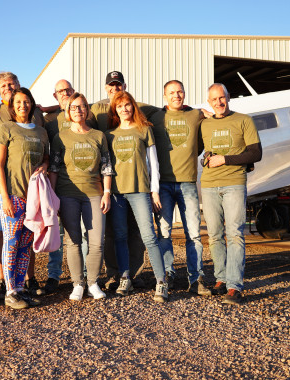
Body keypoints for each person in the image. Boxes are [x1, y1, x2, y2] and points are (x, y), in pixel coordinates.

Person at [0, 72, 45, 300]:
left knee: (26, 239)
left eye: (12, 84)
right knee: (7, 236)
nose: (9, 88)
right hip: (7, 189)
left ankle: (24, 283)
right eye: (4, 85)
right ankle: (5, 285)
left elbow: (44, 149)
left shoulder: (37, 118)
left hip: (32, 193)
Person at [200, 83, 262, 305]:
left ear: (228, 97)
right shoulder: (204, 124)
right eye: (214, 99)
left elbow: (256, 153)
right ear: (209, 102)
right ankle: (221, 279)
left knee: (234, 233)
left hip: (234, 183)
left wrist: (225, 159)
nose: (219, 102)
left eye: (222, 98)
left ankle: (235, 286)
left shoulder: (244, 120)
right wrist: (206, 157)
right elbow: (202, 149)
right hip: (208, 185)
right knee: (214, 235)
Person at [48, 92, 113, 301]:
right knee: (73, 240)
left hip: (94, 194)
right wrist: (52, 197)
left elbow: (106, 166)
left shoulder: (98, 136)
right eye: (74, 107)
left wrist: (107, 193)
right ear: (68, 112)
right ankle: (77, 284)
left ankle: (93, 282)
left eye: (82, 106)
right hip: (67, 195)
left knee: (96, 242)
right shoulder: (61, 137)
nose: (78, 110)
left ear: (87, 110)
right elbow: (54, 168)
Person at [149, 80, 211, 296]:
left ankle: (196, 278)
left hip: (187, 183)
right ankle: (168, 274)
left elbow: (210, 130)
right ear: (164, 95)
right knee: (164, 232)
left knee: (193, 234)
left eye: (180, 91)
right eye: (172, 92)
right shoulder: (155, 118)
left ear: (185, 93)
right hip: (163, 184)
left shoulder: (196, 115)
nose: (177, 95)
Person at [105, 91, 168, 302]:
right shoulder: (109, 134)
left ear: (133, 106)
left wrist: (154, 190)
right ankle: (125, 278)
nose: (124, 109)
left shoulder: (144, 130)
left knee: (149, 236)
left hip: (140, 190)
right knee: (120, 237)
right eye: (120, 106)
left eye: (128, 105)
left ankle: (161, 281)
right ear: (115, 109)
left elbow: (154, 164)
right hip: (117, 193)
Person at [0, 87, 49, 309]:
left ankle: (19, 288)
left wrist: (44, 166)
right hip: (13, 195)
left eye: (26, 102)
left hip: (33, 197)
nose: (22, 105)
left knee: (26, 244)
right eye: (18, 102)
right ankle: (9, 292)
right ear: (12, 106)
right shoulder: (6, 128)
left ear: (32, 104)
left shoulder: (41, 131)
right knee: (12, 241)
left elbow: (46, 157)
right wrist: (4, 197)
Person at [43, 80, 97, 294]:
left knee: (83, 234)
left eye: (68, 90)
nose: (65, 93)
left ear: (74, 92)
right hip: (62, 185)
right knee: (60, 234)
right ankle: (54, 275)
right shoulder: (50, 120)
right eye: (60, 91)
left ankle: (83, 276)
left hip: (87, 187)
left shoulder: (87, 114)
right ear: (55, 96)